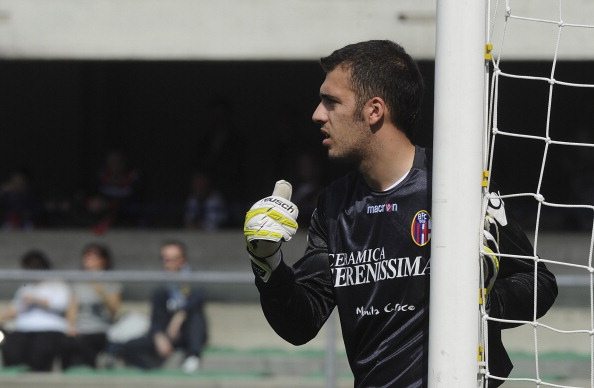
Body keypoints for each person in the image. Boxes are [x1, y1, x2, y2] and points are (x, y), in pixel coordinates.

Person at [243, 40, 558, 387]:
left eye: (331, 101)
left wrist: (479, 296)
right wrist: (267, 263)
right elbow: (300, 325)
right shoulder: (334, 205)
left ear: (374, 110)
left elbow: (539, 285)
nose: (317, 114)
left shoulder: (457, 185)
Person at [117, 240, 208, 373]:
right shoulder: (161, 286)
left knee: (195, 317)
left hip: (188, 333)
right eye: (165, 259)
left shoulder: (194, 279)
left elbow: (198, 298)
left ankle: (193, 357)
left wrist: (180, 315)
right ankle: (154, 367)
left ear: (183, 260)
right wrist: (159, 335)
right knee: (129, 346)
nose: (168, 263)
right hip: (167, 334)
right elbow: (156, 317)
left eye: (173, 259)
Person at [0, 250, 71, 371]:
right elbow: (15, 309)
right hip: (23, 330)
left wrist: (37, 300)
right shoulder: (25, 288)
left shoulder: (58, 285)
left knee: (40, 349)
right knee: (10, 346)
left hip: (50, 329)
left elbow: (62, 305)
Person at [61, 243, 123, 369]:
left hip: (100, 329)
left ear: (104, 260)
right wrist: (71, 326)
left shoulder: (111, 282)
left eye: (94, 257)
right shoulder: (78, 282)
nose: (89, 260)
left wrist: (99, 288)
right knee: (65, 343)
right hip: (80, 329)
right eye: (87, 256)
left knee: (87, 343)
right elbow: (72, 307)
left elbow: (114, 310)